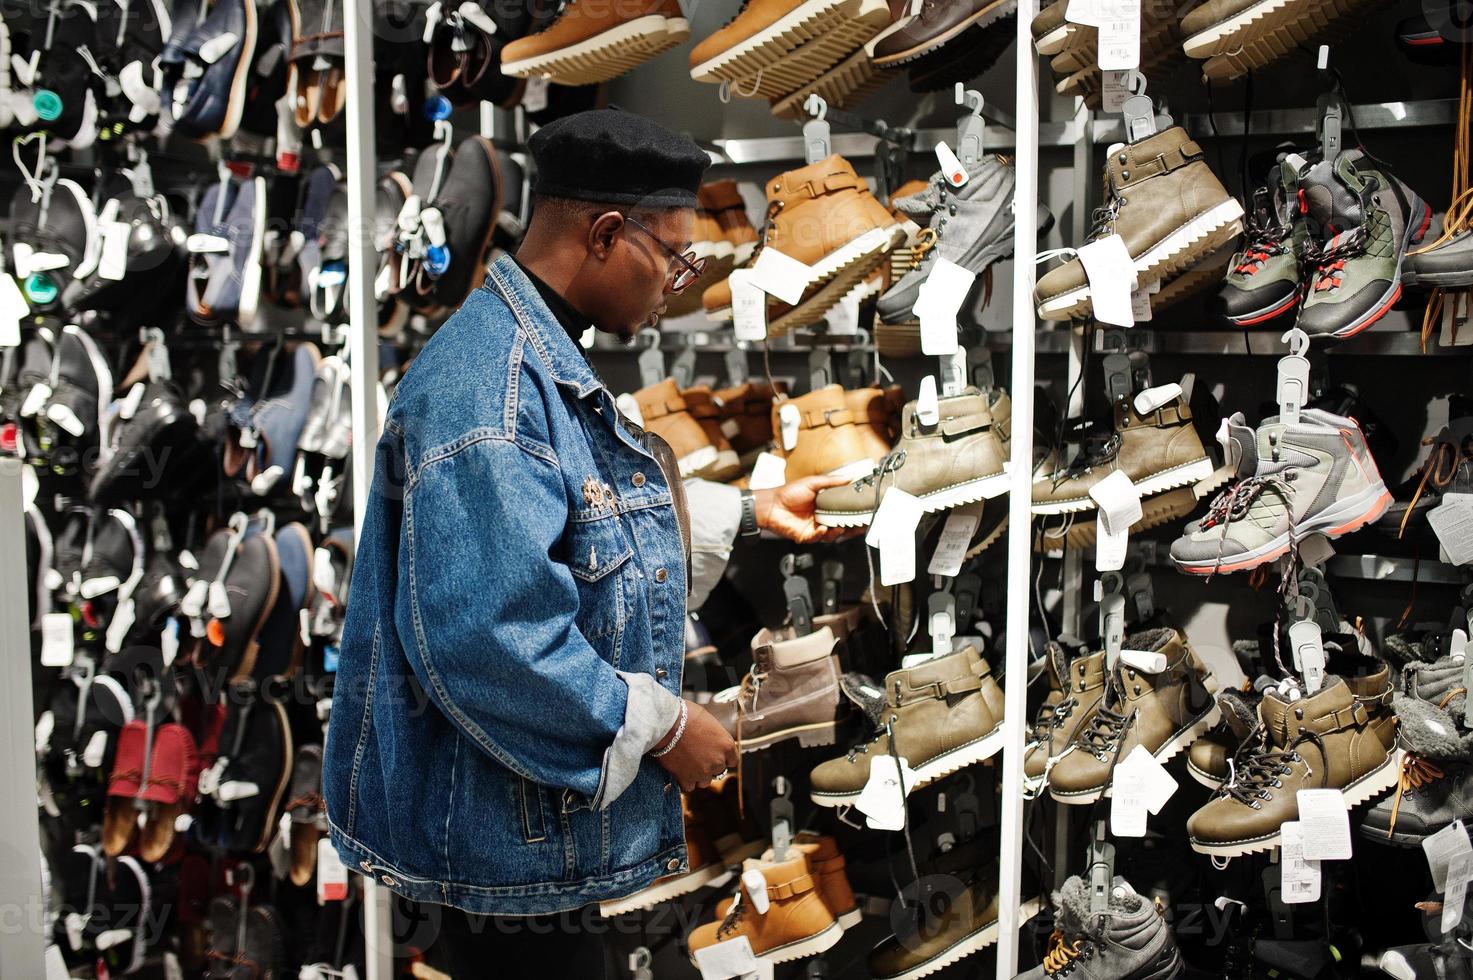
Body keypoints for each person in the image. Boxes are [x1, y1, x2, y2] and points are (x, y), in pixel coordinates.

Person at [322, 108, 852, 978]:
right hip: (502, 847)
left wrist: (755, 512)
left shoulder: (530, 352)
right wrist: (662, 724)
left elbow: (575, 517)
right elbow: (489, 638)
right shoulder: (489, 389)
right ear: (607, 234)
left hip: (519, 828)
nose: (679, 281)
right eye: (675, 256)